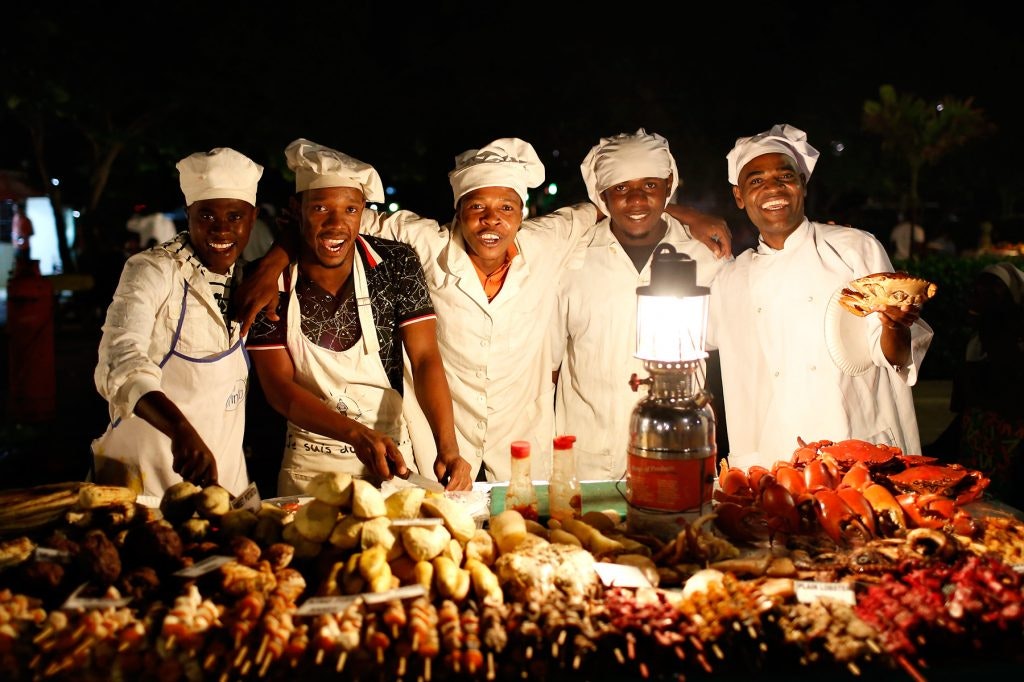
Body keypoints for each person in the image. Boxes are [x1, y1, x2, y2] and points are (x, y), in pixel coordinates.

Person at [236, 138, 731, 483]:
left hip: (525, 443)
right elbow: (332, 215)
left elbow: (622, 201)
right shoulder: (425, 243)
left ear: (524, 215)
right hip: (439, 445)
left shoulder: (549, 240)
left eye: (507, 208)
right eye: (477, 208)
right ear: (457, 213)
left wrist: (690, 213)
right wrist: (274, 259)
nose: (491, 221)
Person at [246, 139, 472, 495]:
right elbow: (280, 390)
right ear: (297, 209)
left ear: (363, 211)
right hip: (310, 467)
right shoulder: (269, 284)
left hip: (393, 464)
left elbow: (426, 358)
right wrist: (355, 434)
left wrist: (449, 447)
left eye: (350, 210)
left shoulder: (396, 264)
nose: (337, 224)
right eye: (321, 208)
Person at [708, 124, 934, 471]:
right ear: (739, 196)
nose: (773, 188)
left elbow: (896, 357)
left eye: (785, 177)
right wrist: (687, 215)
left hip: (857, 443)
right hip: (774, 456)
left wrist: (895, 325)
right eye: (756, 181)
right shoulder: (729, 279)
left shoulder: (853, 248)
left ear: (802, 183)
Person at [551, 129, 726, 480]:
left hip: (678, 451)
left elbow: (727, 353)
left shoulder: (706, 256)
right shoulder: (570, 260)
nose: (636, 200)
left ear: (669, 184)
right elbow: (549, 367)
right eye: (620, 188)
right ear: (602, 195)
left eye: (650, 186)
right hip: (587, 461)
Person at [91, 147, 262, 496]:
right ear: (188, 215)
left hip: (226, 483)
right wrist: (180, 431)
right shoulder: (152, 270)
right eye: (207, 216)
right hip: (143, 486)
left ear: (253, 218)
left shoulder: (248, 278)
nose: (221, 229)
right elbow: (119, 361)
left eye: (234, 217)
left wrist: (274, 265)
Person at [925, 262, 1024, 509]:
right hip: (978, 439)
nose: (980, 300)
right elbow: (963, 403)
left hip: (1009, 442)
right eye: (977, 292)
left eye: (991, 293)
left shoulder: (1008, 341)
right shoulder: (978, 343)